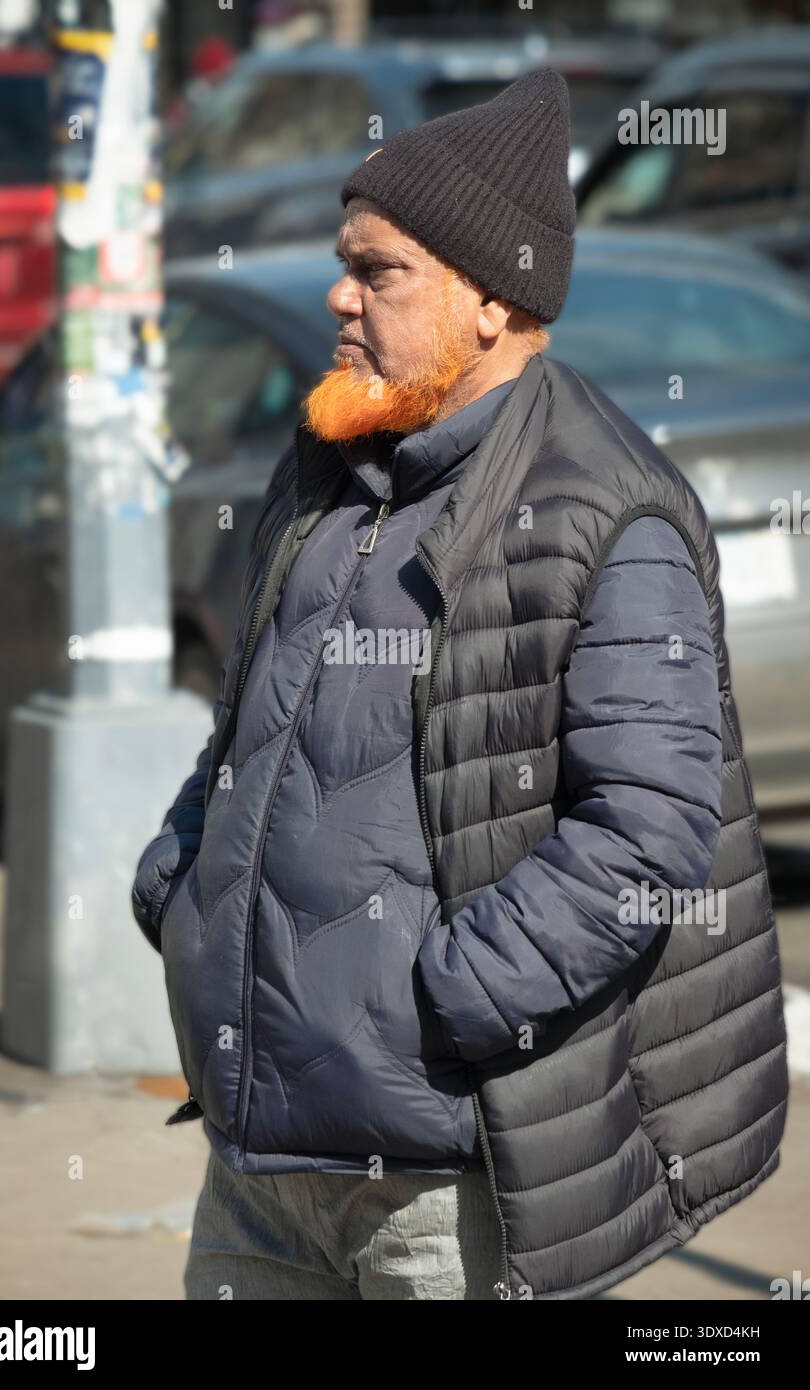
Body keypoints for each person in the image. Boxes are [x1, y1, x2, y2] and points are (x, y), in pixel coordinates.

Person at [132, 69, 788, 1301]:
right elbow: (249, 726)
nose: (338, 293)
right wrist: (180, 884)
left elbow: (643, 838)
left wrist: (438, 1004)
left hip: (441, 1185)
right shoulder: (330, 459)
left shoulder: (605, 515)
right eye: (344, 261)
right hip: (256, 1162)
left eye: (378, 272)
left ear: (491, 299)